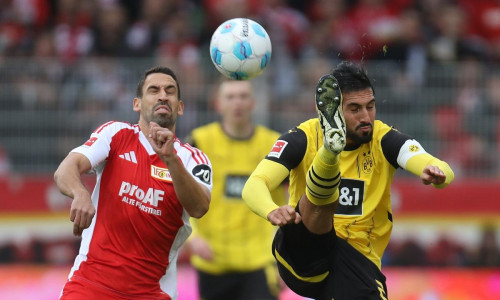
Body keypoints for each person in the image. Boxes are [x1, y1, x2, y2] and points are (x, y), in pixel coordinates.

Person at [242, 61, 454, 300]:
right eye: (355, 109)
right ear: (333, 109)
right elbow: (254, 184)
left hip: (357, 264)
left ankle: (328, 155)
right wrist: (271, 210)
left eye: (370, 107)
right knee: (321, 203)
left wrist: (436, 173)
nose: (366, 117)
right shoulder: (302, 138)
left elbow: (436, 164)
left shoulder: (384, 139)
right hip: (303, 252)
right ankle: (330, 153)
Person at [54, 66, 213, 300]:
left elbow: (199, 207)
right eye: (154, 90)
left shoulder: (193, 158)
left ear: (179, 108)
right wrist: (80, 193)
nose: (162, 95)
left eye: (170, 91)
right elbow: (66, 169)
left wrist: (170, 159)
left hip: (152, 292)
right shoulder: (116, 134)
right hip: (90, 284)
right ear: (137, 104)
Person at [184, 79, 287, 300]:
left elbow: (292, 198)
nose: (237, 103)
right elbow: (180, 197)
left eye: (243, 96)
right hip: (213, 259)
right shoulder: (199, 141)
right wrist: (192, 237)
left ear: (253, 103)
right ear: (218, 104)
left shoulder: (274, 144)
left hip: (260, 260)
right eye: (230, 97)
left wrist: (284, 256)